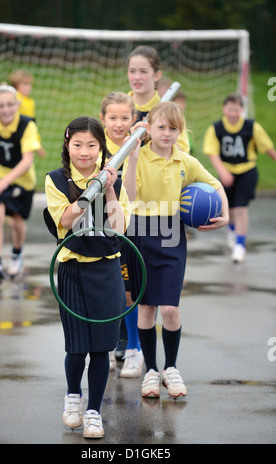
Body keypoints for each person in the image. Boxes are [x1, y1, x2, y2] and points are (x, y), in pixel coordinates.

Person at [122, 101, 229, 399]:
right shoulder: (139, 156)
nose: (167, 133)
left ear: (180, 131)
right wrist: (130, 160)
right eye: (161, 127)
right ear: (149, 129)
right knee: (146, 307)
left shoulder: (185, 161)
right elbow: (129, 197)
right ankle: (151, 372)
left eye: (173, 128)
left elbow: (216, 184)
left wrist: (227, 215)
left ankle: (171, 367)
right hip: (141, 234)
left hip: (171, 237)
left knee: (169, 308)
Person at [44, 116, 131, 439]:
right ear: (67, 145)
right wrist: (88, 191)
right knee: (77, 347)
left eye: (91, 145)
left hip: (107, 270)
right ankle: (72, 400)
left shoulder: (114, 181)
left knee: (101, 348)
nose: (84, 152)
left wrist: (107, 189)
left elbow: (120, 227)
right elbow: (65, 219)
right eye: (77, 144)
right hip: (72, 271)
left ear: (101, 147)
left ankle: (94, 411)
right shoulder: (55, 180)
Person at [0, 84, 40, 284]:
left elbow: (27, 161)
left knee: (17, 222)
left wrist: (5, 182)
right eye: (1, 106)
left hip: (22, 180)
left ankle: (16, 255)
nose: (6, 109)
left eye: (10, 104)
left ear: (17, 104)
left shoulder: (27, 125)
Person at [99, 91, 144, 378]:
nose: (118, 123)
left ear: (133, 119)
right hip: (97, 228)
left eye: (124, 117)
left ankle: (134, 350)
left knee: (128, 292)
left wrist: (135, 156)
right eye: (112, 117)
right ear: (102, 118)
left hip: (126, 226)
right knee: (103, 291)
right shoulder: (95, 146)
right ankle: (104, 348)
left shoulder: (136, 145)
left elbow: (133, 192)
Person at [203, 93, 276, 263]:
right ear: (224, 109)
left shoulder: (251, 126)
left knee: (240, 208)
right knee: (229, 208)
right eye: (230, 109)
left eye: (237, 110)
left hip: (247, 171)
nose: (233, 113)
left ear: (242, 110)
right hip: (226, 171)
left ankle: (240, 245)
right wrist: (222, 172)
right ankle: (233, 230)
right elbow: (212, 153)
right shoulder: (216, 128)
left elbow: (267, 147)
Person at [127, 45, 190, 154]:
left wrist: (158, 132)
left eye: (143, 71)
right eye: (132, 71)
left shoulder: (169, 110)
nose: (137, 77)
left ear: (157, 75)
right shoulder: (118, 107)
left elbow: (184, 156)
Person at [9, 69, 45, 158]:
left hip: (25, 138)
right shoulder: (14, 97)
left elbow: (32, 123)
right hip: (11, 136)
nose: (28, 87)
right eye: (25, 84)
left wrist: (37, 142)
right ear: (16, 86)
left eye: (29, 84)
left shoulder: (30, 102)